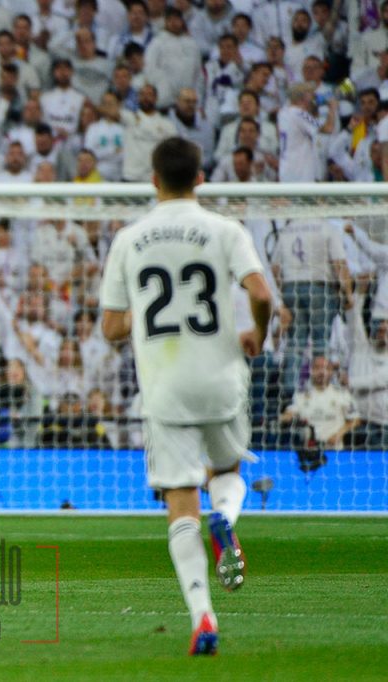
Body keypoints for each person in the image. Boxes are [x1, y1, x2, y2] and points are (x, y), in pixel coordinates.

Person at [100, 137, 274, 655]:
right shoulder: (225, 230)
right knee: (226, 471)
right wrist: (258, 335)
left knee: (180, 501)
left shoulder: (129, 239)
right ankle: (227, 518)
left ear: (153, 180)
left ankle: (203, 618)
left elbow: (110, 328)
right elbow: (261, 294)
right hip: (220, 375)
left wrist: (144, 316)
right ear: (200, 178)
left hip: (165, 386)